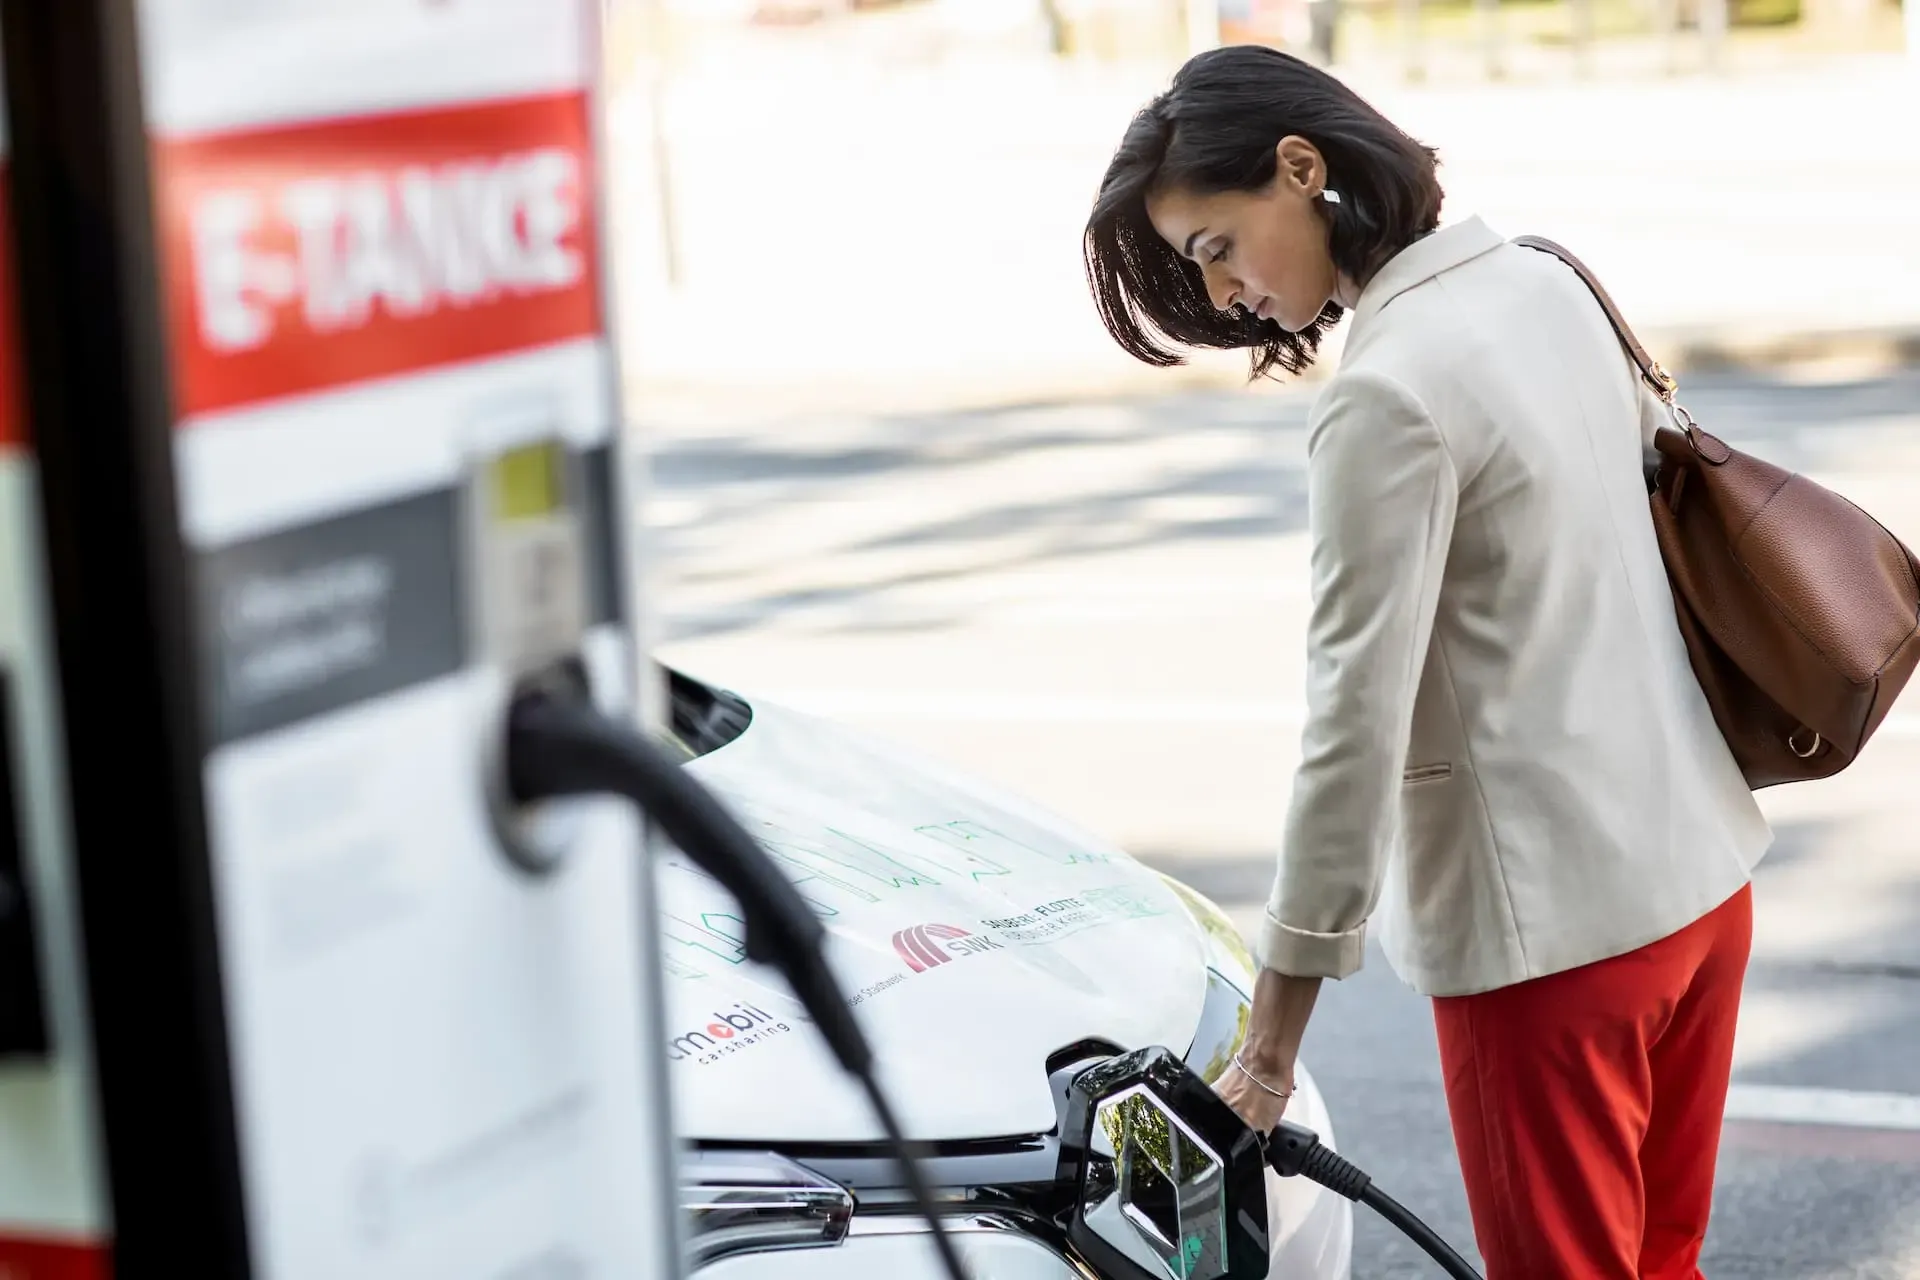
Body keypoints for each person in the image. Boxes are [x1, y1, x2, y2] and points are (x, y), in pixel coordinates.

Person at [1083, 45, 1773, 1280]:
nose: (1226, 291)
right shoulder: (1547, 281)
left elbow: (1354, 728)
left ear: (1302, 168)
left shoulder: (1386, 394)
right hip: (1701, 887)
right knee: (1664, 1260)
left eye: (1218, 247)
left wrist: (1270, 1045)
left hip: (1552, 947)